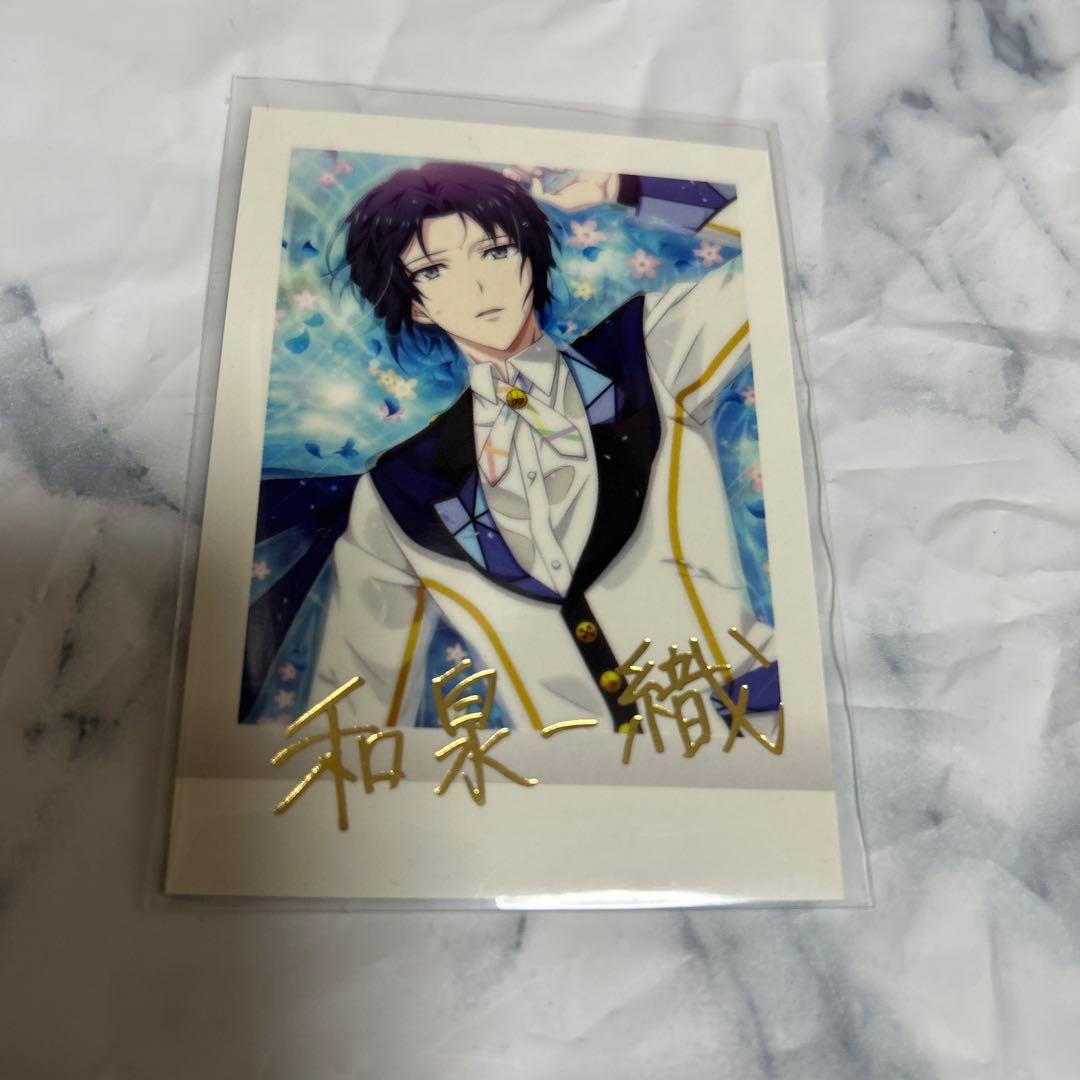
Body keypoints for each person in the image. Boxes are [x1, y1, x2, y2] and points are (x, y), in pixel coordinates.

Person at [251, 162, 777, 733]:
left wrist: (621, 186)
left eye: (495, 252)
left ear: (528, 256)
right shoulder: (399, 493)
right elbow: (355, 706)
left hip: (755, 738)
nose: (478, 287)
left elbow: (777, 247)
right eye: (434, 269)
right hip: (575, 779)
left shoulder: (650, 352)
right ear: (414, 303)